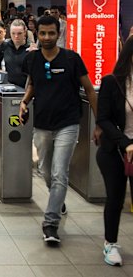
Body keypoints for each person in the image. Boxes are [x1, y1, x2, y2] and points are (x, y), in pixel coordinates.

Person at [19, 16, 97, 244]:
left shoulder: (72, 59)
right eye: (42, 33)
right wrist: (24, 101)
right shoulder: (32, 58)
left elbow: (90, 90)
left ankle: (50, 224)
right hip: (42, 123)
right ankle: (58, 199)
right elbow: (33, 83)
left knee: (59, 172)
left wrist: (100, 122)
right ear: (38, 33)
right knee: (45, 170)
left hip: (68, 123)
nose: (46, 38)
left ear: (58, 33)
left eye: (51, 33)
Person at [95, 37, 133, 266]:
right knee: (116, 198)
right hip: (114, 150)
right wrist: (125, 142)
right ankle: (110, 243)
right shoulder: (112, 82)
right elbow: (103, 119)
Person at [0, 19, 33, 87]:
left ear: (25, 32)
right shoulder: (4, 46)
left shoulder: (30, 49)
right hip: (8, 87)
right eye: (13, 33)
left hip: (25, 88)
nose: (16, 36)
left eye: (19, 33)